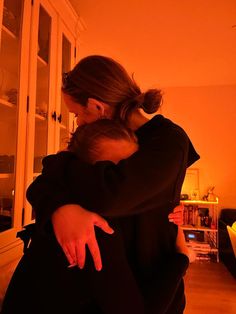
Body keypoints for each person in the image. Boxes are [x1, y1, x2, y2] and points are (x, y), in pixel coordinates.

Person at [8, 55, 199, 312]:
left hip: (145, 278)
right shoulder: (102, 144)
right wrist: (62, 209)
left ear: (98, 107)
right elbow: (42, 184)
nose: (77, 123)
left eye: (77, 113)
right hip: (106, 277)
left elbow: (108, 196)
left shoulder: (168, 140)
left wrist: (62, 171)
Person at [2, 119, 189, 314]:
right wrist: (182, 257)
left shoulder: (71, 195)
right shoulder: (92, 225)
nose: (127, 184)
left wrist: (163, 206)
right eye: (110, 171)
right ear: (84, 171)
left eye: (129, 169)